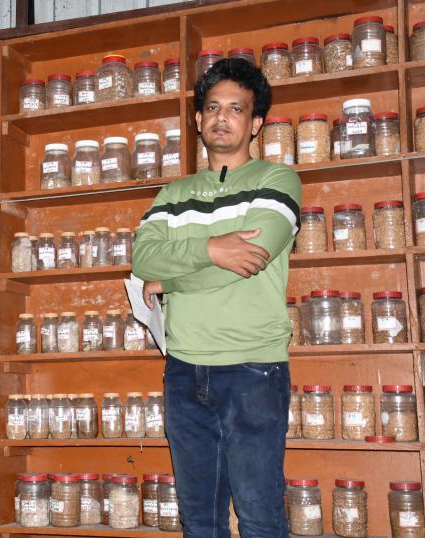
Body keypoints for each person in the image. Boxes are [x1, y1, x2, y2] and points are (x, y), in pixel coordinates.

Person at [132, 57, 302, 537]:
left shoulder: (277, 180)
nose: (221, 117)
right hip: (184, 369)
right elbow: (143, 258)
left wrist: (172, 281)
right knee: (199, 520)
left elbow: (248, 259)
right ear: (197, 119)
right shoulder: (173, 193)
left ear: (256, 123)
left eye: (236, 108)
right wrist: (210, 249)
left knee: (260, 515)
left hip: (253, 367)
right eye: (212, 107)